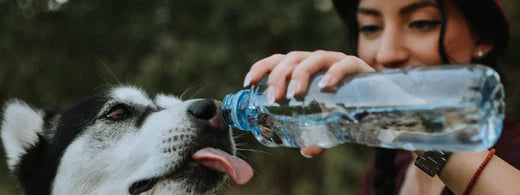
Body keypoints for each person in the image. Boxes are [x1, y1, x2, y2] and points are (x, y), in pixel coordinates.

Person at [242, 0, 520, 194]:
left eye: (421, 23)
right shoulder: (387, 172)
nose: (387, 54)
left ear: (482, 37)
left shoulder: (513, 151)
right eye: (371, 28)